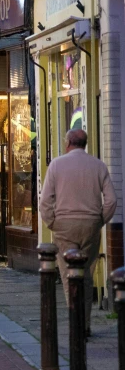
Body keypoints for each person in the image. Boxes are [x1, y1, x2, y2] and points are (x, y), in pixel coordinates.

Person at [39, 129, 116, 337]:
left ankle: (76, 323)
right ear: (85, 143)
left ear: (67, 143)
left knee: (68, 275)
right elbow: (111, 200)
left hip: (64, 224)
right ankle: (86, 324)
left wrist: (52, 222)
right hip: (91, 223)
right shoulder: (98, 165)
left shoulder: (56, 165)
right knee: (87, 273)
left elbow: (45, 201)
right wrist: (100, 220)